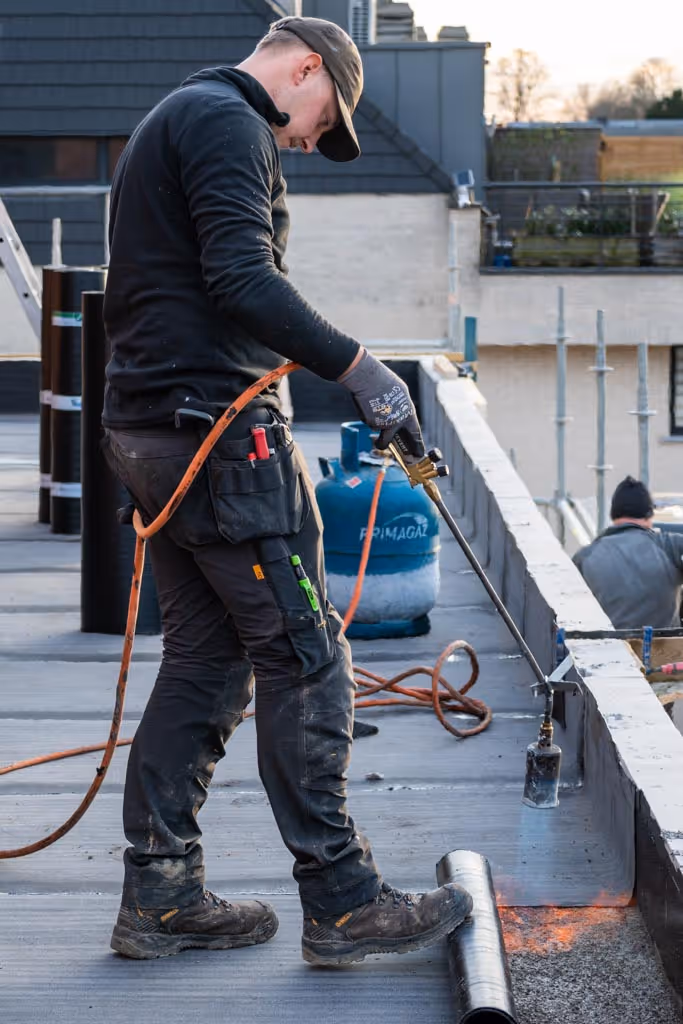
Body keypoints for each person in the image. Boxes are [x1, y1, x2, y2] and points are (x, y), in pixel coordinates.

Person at [101, 16, 472, 965]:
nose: (305, 141)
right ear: (304, 66)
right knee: (307, 659)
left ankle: (162, 895)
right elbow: (240, 279)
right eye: (319, 118)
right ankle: (343, 902)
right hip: (218, 443)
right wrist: (363, 370)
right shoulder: (228, 120)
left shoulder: (169, 118)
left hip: (151, 433)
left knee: (206, 663)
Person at [573, 476, 683, 630]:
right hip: (665, 650)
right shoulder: (671, 546)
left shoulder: (585, 557)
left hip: (606, 650)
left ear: (613, 515)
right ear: (649, 515)